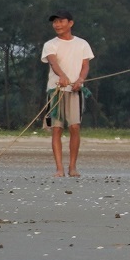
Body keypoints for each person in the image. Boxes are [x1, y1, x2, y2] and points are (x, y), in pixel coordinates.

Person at [40, 10, 93, 177]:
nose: (57, 24)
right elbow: (53, 62)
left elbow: (85, 66)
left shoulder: (82, 44)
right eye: (55, 22)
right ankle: (59, 169)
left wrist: (80, 80)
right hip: (55, 90)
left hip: (75, 90)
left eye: (61, 21)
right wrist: (62, 76)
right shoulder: (50, 44)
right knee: (56, 128)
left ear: (70, 23)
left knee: (75, 127)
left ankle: (72, 167)